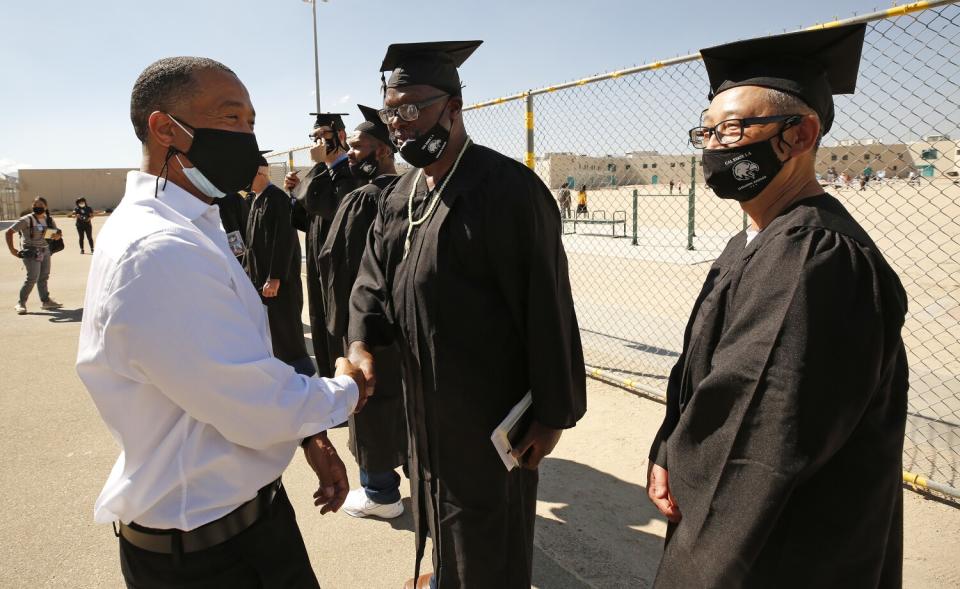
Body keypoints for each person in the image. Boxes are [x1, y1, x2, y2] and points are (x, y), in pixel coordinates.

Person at [76, 56, 369, 589]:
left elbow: (233, 367)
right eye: (231, 120)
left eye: (252, 122)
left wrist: (308, 437)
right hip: (208, 558)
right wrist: (346, 390)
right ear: (165, 128)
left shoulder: (189, 223)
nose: (248, 138)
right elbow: (254, 405)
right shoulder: (158, 250)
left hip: (242, 521)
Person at [648, 24, 908, 587]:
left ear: (800, 134)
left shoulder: (816, 257)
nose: (717, 147)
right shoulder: (754, 241)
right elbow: (706, 375)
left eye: (735, 129)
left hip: (781, 548)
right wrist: (670, 447)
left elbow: (759, 437)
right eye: (708, 133)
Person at [348, 40, 586, 588]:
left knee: (487, 531)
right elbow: (372, 281)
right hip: (426, 404)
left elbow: (547, 305)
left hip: (490, 413)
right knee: (434, 507)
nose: (400, 124)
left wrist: (551, 416)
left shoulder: (507, 191)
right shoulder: (401, 194)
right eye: (392, 112)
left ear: (453, 106)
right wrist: (360, 341)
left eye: (412, 109)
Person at [318, 104, 407, 520]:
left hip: (367, 328)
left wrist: (344, 327)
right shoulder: (413, 190)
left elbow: (338, 264)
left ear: (384, 149)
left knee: (370, 403)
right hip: (406, 327)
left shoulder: (364, 199)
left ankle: (379, 492)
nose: (350, 153)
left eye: (358, 146)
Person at [287, 112, 360, 379]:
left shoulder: (350, 172)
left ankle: (348, 381)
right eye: (314, 137)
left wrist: (316, 169)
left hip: (341, 266)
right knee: (319, 320)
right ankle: (330, 380)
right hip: (319, 262)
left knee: (338, 322)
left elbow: (332, 209)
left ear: (340, 136)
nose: (317, 143)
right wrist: (295, 195)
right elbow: (306, 221)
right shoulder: (325, 173)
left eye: (323, 135)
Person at [246, 158, 316, 376]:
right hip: (261, 280)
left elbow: (284, 240)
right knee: (273, 334)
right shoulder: (256, 199)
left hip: (279, 283)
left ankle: (305, 378)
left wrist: (274, 277)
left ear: (260, 173)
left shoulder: (276, 199)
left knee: (287, 333)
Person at [6, 197, 64, 314]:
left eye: (40, 205)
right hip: (31, 251)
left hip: (45, 251)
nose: (37, 207)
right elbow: (9, 232)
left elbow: (55, 233)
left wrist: (57, 235)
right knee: (32, 278)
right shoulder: (27, 219)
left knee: (44, 276)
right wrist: (12, 249)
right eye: (35, 205)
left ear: (45, 207)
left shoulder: (49, 220)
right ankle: (21, 303)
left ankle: (46, 301)